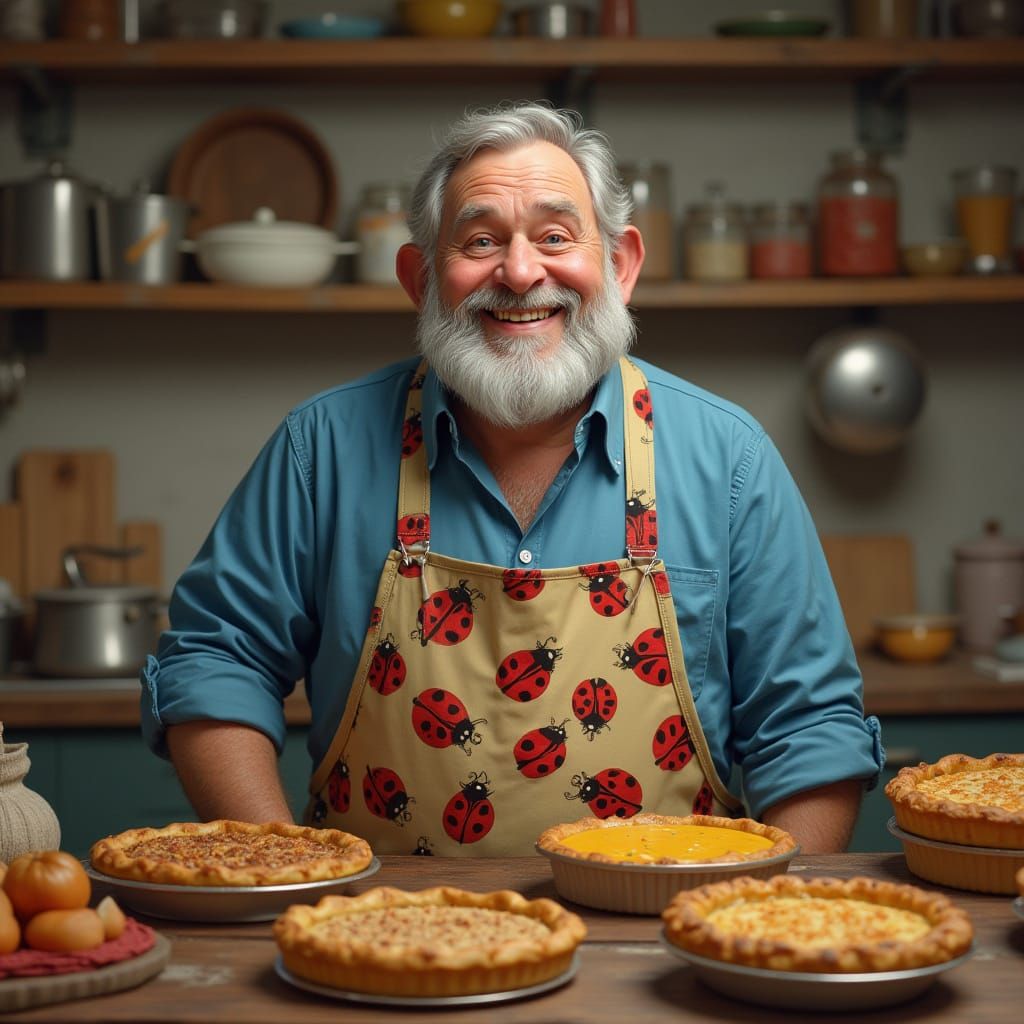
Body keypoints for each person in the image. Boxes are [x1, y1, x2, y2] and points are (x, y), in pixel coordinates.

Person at [142, 101, 883, 856]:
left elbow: (810, 730)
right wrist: (279, 869)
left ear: (620, 266)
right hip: (378, 923)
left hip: (666, 923)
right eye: (481, 241)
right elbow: (215, 661)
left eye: (556, 237)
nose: (522, 273)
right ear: (421, 279)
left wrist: (767, 914)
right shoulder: (322, 448)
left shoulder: (728, 459)